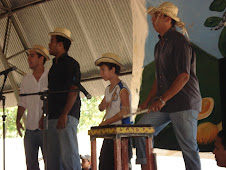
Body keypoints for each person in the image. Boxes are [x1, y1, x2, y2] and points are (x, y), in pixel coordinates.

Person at [135, 2, 202, 170]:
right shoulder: (159, 46)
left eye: (155, 15)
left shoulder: (179, 41)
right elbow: (159, 79)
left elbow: (184, 76)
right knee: (140, 130)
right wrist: (147, 101)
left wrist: (162, 99)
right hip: (166, 104)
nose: (152, 19)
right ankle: (146, 167)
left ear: (167, 18)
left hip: (184, 103)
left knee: (188, 147)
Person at [47, 27, 81, 170]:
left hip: (66, 116)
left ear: (60, 45)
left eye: (51, 41)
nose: (49, 44)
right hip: (53, 116)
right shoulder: (52, 67)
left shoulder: (71, 64)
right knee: (54, 160)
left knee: (69, 157)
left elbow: (73, 90)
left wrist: (65, 114)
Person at [95, 53, 133, 170]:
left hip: (122, 134)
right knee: (104, 164)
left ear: (113, 69)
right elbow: (101, 108)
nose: (101, 73)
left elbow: (125, 112)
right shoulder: (108, 89)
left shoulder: (122, 88)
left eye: (103, 70)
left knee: (120, 164)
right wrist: (103, 105)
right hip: (110, 133)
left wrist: (106, 122)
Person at [16, 45, 50, 170]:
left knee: (49, 162)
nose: (28, 59)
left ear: (41, 58)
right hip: (29, 129)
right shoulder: (26, 79)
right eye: (28, 56)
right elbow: (22, 102)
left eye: (32, 56)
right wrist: (17, 120)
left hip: (46, 128)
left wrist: (44, 116)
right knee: (31, 164)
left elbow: (52, 101)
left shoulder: (50, 76)